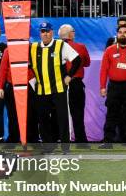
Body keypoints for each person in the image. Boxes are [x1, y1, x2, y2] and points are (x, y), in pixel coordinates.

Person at [30, 22, 81, 153]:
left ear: (52, 32)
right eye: (42, 31)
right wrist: (33, 81)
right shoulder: (33, 47)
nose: (45, 33)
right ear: (40, 33)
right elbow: (28, 66)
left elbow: (77, 60)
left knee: (62, 118)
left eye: (47, 31)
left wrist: (69, 76)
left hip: (59, 89)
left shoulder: (61, 45)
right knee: (43, 120)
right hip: (41, 90)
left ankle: (65, 147)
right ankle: (48, 146)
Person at [58, 24, 90, 145]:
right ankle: (81, 141)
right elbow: (87, 63)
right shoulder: (80, 47)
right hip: (76, 83)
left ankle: (60, 139)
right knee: (78, 114)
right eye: (74, 32)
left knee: (60, 114)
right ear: (71, 34)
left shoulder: (56, 47)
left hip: (60, 84)